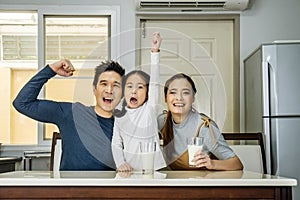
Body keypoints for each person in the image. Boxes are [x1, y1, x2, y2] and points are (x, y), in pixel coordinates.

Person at [13, 59, 125, 171]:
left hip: (108, 187)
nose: (109, 90)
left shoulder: (125, 126)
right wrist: (51, 70)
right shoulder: (71, 113)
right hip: (71, 187)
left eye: (116, 86)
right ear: (94, 88)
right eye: (104, 84)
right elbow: (22, 103)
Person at [158, 73, 243, 171]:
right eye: (173, 92)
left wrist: (212, 163)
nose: (179, 98)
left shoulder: (204, 127)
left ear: (193, 98)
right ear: (165, 98)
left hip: (201, 183)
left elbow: (237, 164)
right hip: (174, 183)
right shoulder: (162, 121)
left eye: (185, 93)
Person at [112, 32, 166, 172]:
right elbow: (116, 144)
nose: (134, 91)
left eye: (140, 87)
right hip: (129, 171)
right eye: (129, 86)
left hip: (154, 169)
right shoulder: (119, 115)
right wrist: (120, 163)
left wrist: (155, 52)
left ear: (147, 93)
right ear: (124, 91)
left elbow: (154, 83)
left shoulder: (150, 109)